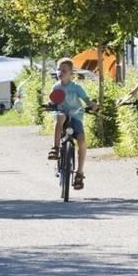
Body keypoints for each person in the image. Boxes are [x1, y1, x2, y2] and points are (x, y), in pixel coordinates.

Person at [47, 58, 98, 190]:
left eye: (64, 70)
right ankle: (55, 148)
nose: (60, 72)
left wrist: (92, 105)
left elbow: (86, 100)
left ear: (71, 73)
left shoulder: (76, 87)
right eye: (59, 70)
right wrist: (50, 104)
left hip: (75, 116)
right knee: (60, 116)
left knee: (81, 140)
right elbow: (52, 100)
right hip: (62, 115)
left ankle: (79, 173)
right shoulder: (56, 87)